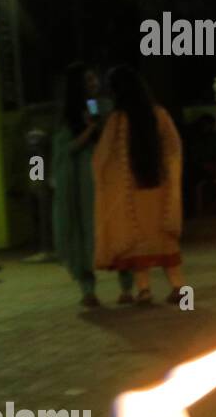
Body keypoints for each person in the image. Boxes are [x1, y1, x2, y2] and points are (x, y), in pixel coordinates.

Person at [92, 65, 186, 304]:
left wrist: (103, 180)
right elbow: (174, 148)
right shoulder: (160, 115)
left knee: (137, 244)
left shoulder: (118, 120)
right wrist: (171, 178)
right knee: (164, 241)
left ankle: (144, 290)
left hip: (132, 192)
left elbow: (103, 158)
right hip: (160, 189)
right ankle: (179, 288)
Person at [51, 62, 132, 306]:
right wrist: (89, 129)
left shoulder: (109, 108)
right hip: (81, 182)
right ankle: (88, 290)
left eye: (95, 79)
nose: (94, 84)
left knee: (115, 227)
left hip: (108, 177)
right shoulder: (67, 116)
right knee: (84, 230)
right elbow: (63, 151)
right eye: (88, 81)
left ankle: (126, 287)